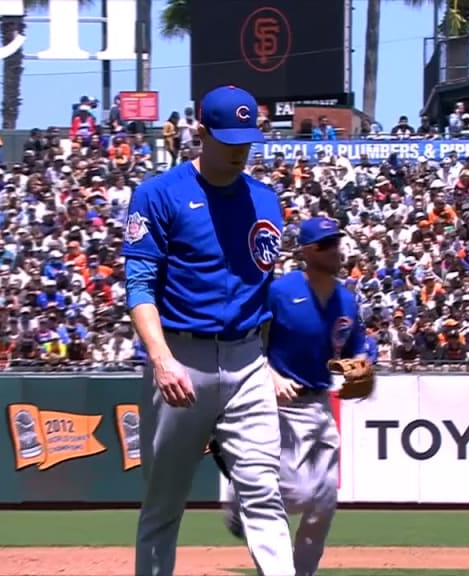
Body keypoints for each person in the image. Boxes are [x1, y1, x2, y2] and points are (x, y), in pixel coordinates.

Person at [122, 85, 295, 576]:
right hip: (182, 358)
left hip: (247, 363)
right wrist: (160, 358)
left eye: (247, 138)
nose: (240, 149)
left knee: (263, 494)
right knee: (164, 503)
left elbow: (261, 291)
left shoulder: (265, 200)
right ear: (201, 132)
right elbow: (139, 285)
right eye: (228, 138)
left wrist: (270, 362)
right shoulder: (159, 194)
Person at [222, 216, 368, 576]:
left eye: (336, 242)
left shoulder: (347, 301)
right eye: (324, 244)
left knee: (324, 503)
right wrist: (269, 374)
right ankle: (243, 493)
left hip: (318, 402)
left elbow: (354, 352)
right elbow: (244, 339)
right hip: (276, 403)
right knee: (295, 495)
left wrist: (360, 369)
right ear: (306, 251)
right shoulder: (279, 291)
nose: (334, 250)